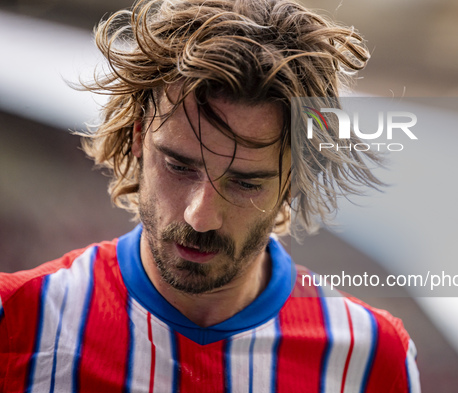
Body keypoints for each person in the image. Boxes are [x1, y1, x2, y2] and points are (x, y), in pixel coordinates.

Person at [0, 0, 420, 391]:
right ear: (139, 139)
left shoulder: (372, 358)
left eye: (245, 182)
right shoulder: (17, 319)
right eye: (179, 167)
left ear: (294, 180)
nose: (200, 217)